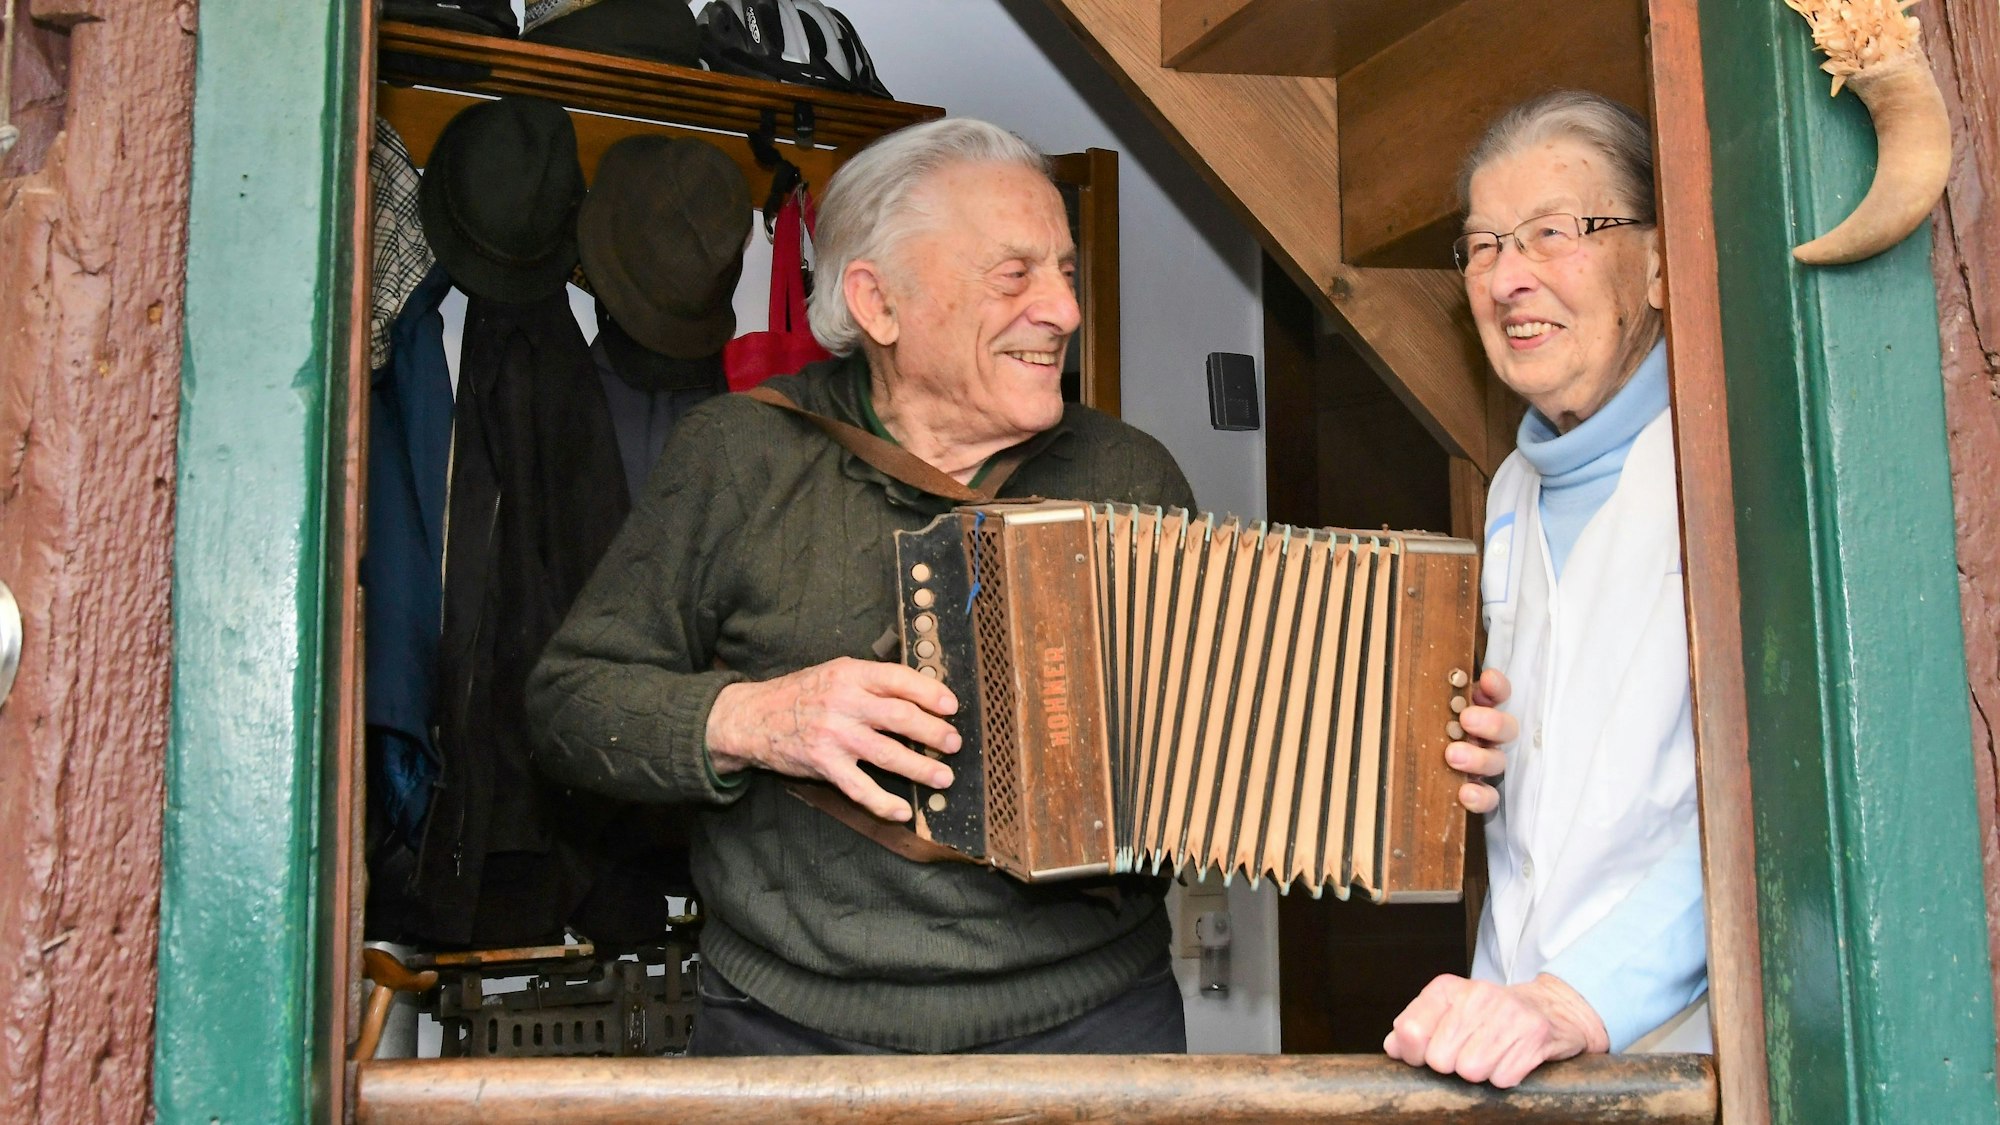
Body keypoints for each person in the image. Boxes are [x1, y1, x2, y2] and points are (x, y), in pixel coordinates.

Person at [525, 117, 1205, 1055]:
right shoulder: (736, 454)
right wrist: (756, 718)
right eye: (1014, 275)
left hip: (1095, 1023)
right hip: (788, 1032)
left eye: (1064, 271)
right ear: (877, 303)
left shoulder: (1131, 474)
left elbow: (1212, 744)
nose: (1063, 310)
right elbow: (567, 703)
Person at [1382, 90, 1709, 1088]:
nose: (1506, 277)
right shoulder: (1513, 489)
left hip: (1690, 1048)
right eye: (1483, 245)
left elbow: (1779, 808)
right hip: (1514, 1028)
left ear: (1658, 262)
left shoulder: (1729, 462)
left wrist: (1579, 995)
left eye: (1551, 233)